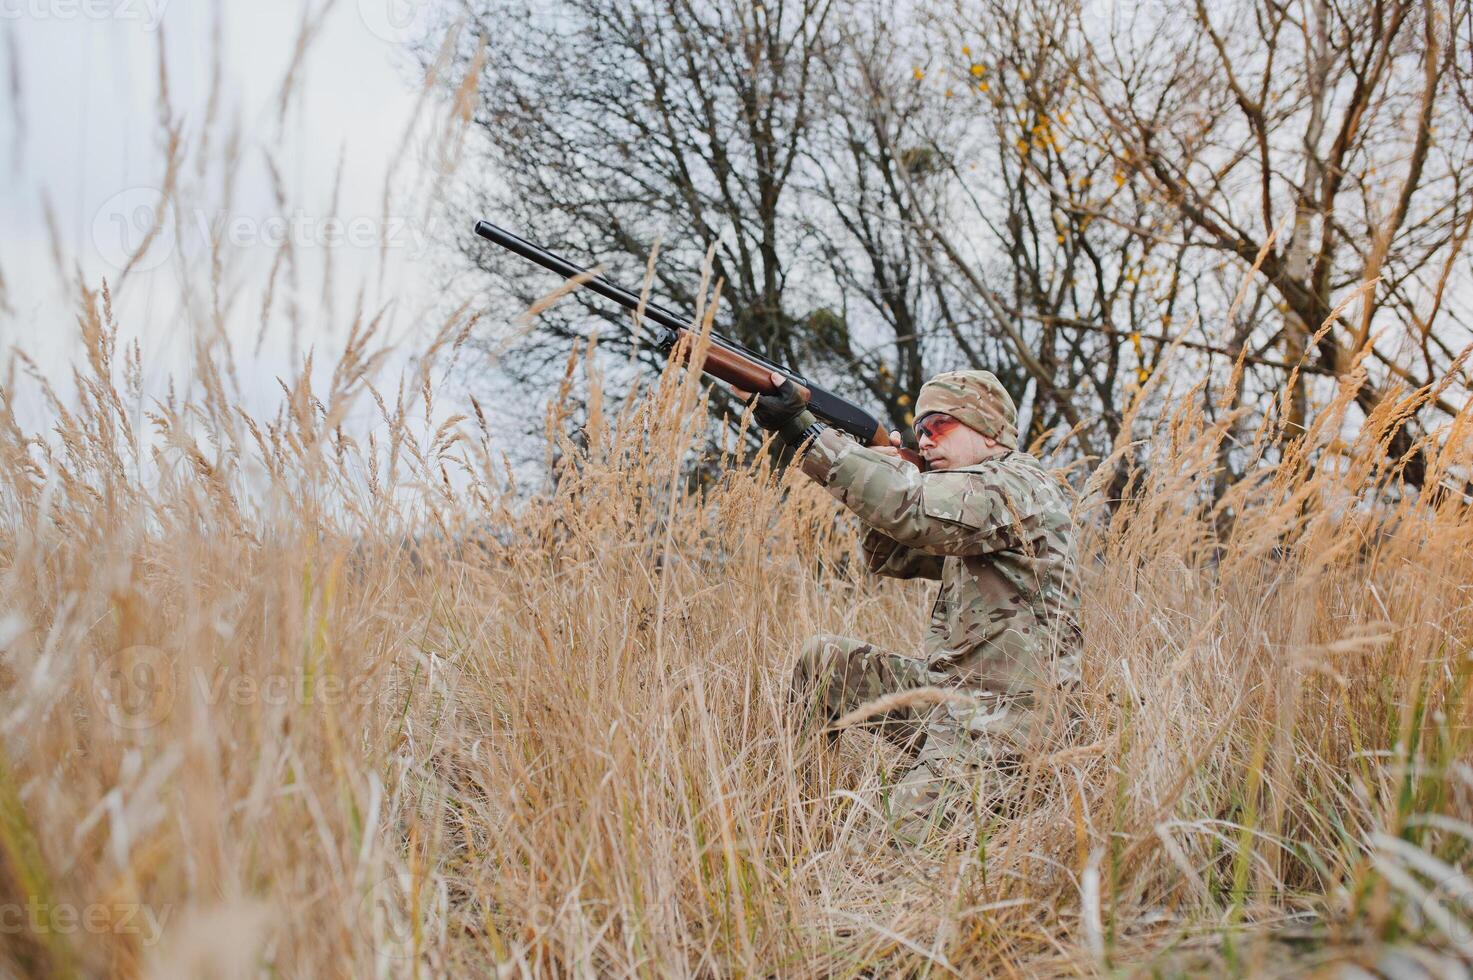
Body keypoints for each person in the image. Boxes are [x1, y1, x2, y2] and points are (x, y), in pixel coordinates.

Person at [741, 369, 1081, 842]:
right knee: (825, 661)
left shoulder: (1016, 485)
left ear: (989, 431)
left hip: (1007, 725)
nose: (925, 440)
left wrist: (805, 431)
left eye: (939, 426)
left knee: (875, 858)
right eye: (919, 430)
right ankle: (797, 824)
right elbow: (895, 554)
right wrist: (879, 465)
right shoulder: (972, 496)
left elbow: (912, 510)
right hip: (951, 702)